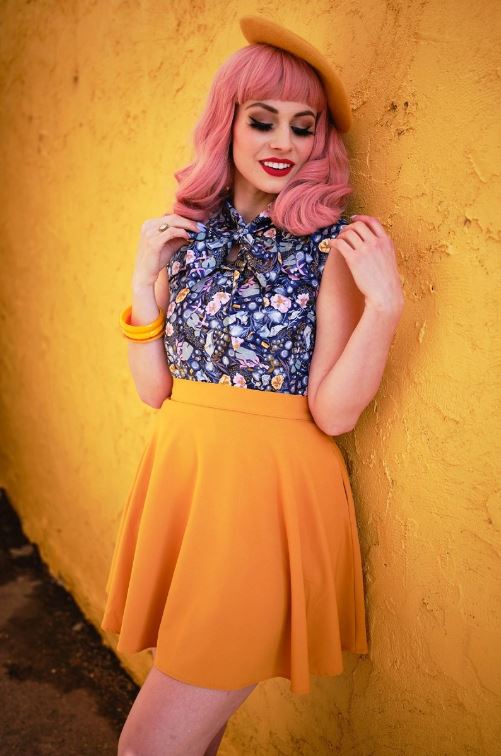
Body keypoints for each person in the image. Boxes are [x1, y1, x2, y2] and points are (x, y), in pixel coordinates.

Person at [101, 15, 404, 756]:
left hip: (264, 505)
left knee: (147, 748)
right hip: (187, 479)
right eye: (262, 120)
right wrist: (143, 280)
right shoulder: (186, 235)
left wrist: (384, 308)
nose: (283, 143)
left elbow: (331, 413)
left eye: (304, 128)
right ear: (225, 124)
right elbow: (154, 390)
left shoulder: (325, 246)